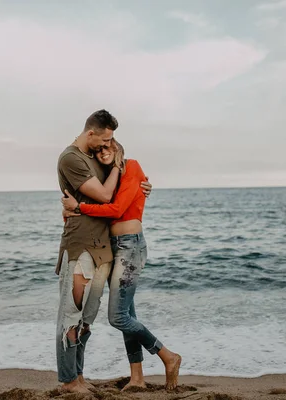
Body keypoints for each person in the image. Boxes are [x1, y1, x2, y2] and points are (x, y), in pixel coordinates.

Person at [62, 138, 182, 391]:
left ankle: (167, 356)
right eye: (98, 150)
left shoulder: (132, 166)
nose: (103, 152)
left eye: (107, 147)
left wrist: (79, 208)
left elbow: (116, 210)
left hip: (130, 245)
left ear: (117, 149)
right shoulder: (107, 177)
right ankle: (137, 377)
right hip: (111, 247)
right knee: (128, 314)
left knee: (117, 317)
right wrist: (69, 209)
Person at [55, 110, 151, 393]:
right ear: (91, 133)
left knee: (86, 320)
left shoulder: (98, 160)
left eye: (112, 141)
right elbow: (106, 197)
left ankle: (79, 376)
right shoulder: (71, 157)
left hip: (103, 249)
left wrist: (141, 182)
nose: (106, 145)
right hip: (80, 247)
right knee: (70, 315)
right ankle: (69, 380)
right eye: (104, 139)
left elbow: (120, 198)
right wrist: (122, 170)